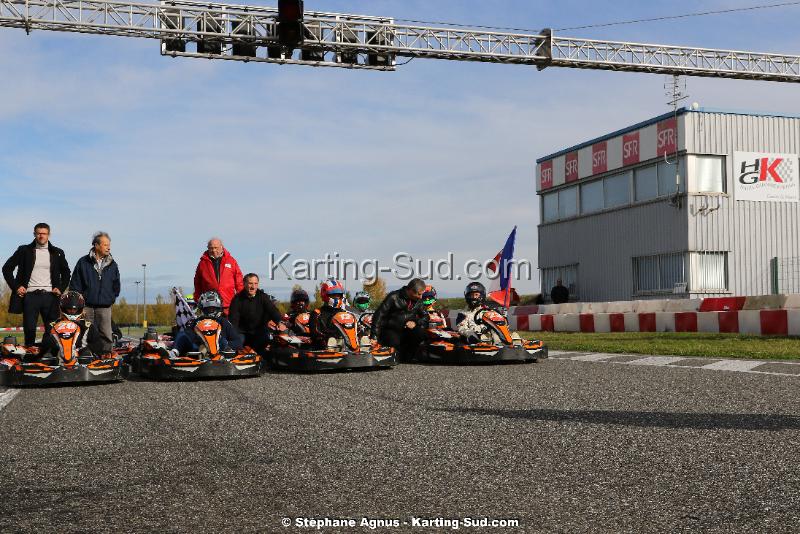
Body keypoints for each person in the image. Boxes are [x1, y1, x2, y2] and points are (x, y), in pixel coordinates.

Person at [2, 223, 71, 346]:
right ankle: (29, 357)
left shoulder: (57, 252)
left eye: (44, 233)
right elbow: (7, 268)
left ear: (48, 235)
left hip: (50, 296)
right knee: (29, 330)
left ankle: (47, 355)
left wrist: (60, 288)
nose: (41, 236)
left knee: (52, 330)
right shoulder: (24, 250)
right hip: (30, 297)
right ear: (34, 234)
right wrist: (16, 286)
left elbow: (66, 272)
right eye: (38, 233)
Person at [69, 232, 121, 354]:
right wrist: (79, 303)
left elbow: (116, 285)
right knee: (86, 332)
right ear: (96, 245)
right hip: (86, 306)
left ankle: (106, 356)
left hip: (105, 306)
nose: (109, 247)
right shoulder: (83, 262)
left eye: (109, 245)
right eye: (105, 245)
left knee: (106, 334)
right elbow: (75, 284)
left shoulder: (113, 264)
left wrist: (111, 298)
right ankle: (87, 355)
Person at [370, 278, 428, 360]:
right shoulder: (393, 296)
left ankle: (410, 355)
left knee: (421, 333)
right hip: (391, 331)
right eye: (419, 294)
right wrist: (374, 336)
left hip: (408, 331)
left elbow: (426, 317)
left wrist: (416, 323)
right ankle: (396, 353)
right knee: (395, 352)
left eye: (422, 294)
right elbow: (379, 315)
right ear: (411, 290)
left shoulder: (419, 300)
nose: (421, 297)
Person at [173, 291, 244, 355]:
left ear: (218, 308)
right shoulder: (195, 322)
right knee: (181, 334)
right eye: (208, 309)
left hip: (220, 350)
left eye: (213, 308)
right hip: (197, 349)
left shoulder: (224, 322)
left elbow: (237, 342)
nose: (211, 311)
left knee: (223, 339)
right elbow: (188, 336)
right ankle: (173, 353)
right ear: (202, 309)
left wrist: (224, 344)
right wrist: (202, 342)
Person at [228, 273, 285, 353]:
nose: (253, 287)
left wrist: (279, 322)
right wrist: (233, 335)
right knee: (235, 343)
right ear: (244, 284)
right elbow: (233, 320)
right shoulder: (237, 299)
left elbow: (273, 311)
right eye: (250, 283)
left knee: (266, 340)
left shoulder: (263, 297)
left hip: (259, 332)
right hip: (242, 332)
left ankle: (261, 359)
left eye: (255, 284)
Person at [39, 291, 103, 359]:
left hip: (81, 358)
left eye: (75, 309)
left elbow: (98, 345)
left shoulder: (87, 326)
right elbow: (45, 343)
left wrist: (80, 350)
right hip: (58, 357)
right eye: (69, 309)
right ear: (63, 308)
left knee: (86, 353)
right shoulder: (53, 325)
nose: (72, 311)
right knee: (48, 353)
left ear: (80, 308)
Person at [193, 237, 243, 314]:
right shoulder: (202, 263)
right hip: (209, 305)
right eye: (211, 248)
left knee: (229, 325)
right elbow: (197, 283)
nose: (213, 250)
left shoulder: (231, 261)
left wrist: (241, 299)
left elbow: (239, 282)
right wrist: (197, 298)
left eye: (216, 248)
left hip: (229, 304)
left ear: (221, 247)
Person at [309, 279, 350, 348]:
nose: (336, 297)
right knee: (331, 340)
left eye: (338, 295)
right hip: (324, 346)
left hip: (345, 346)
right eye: (333, 295)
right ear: (325, 295)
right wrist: (330, 335)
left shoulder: (344, 313)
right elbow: (314, 333)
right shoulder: (317, 313)